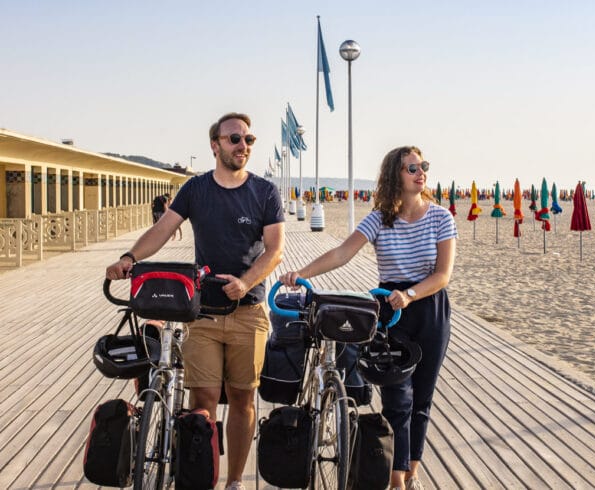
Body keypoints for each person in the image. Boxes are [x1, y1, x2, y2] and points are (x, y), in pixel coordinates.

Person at [106, 112, 285, 490]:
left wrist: (247, 280)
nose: (243, 146)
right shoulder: (196, 189)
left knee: (242, 400)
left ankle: (235, 480)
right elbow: (162, 230)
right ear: (215, 145)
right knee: (202, 400)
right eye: (235, 139)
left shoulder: (265, 192)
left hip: (248, 310)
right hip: (201, 311)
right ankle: (201, 476)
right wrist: (129, 259)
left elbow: (275, 250)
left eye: (249, 140)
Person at [279, 146, 457, 490]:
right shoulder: (379, 218)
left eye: (424, 167)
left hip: (429, 308)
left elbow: (443, 275)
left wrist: (411, 294)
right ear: (395, 175)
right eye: (412, 168)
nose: (421, 173)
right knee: (396, 397)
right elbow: (343, 252)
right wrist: (301, 273)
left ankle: (410, 473)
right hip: (390, 313)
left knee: (421, 398)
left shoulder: (440, 217)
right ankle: (396, 479)